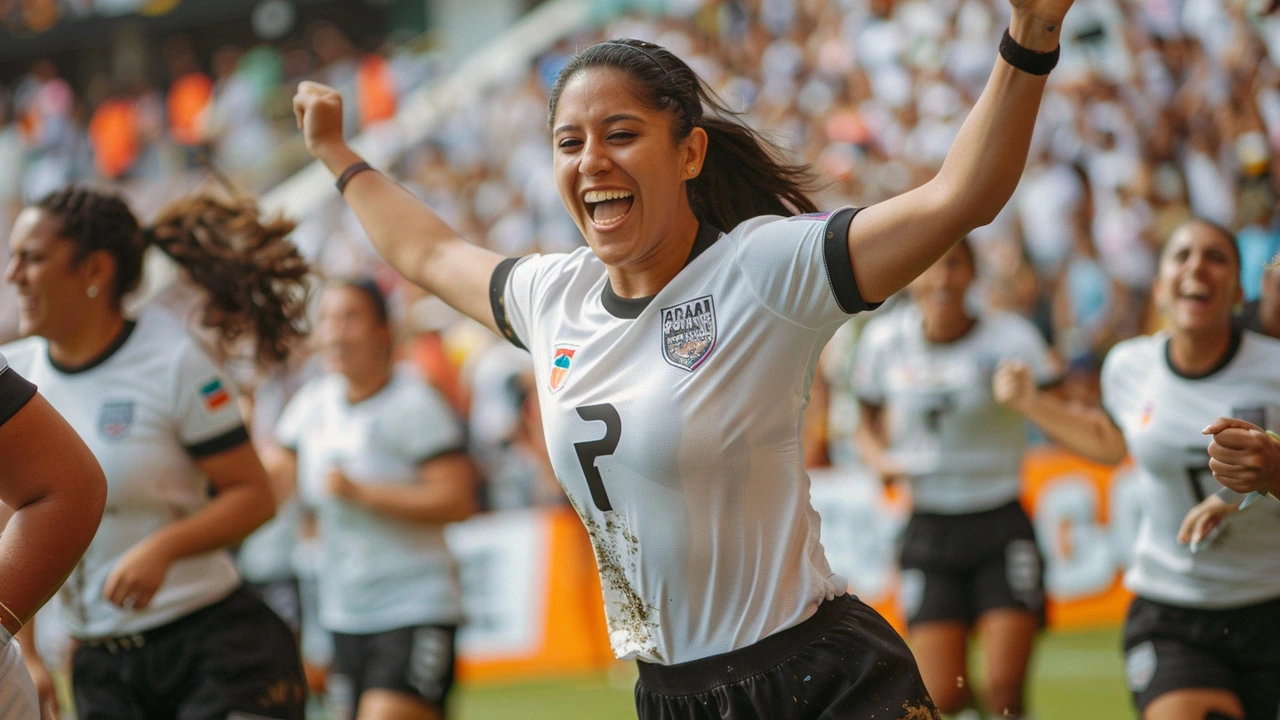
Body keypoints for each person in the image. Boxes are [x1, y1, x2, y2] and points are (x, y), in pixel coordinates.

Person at [291, 0, 1074, 711]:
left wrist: (1030, 35)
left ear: (691, 153)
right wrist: (336, 155)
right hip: (672, 697)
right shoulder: (549, 296)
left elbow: (959, 195)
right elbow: (426, 252)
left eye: (621, 134)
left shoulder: (765, 271)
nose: (591, 159)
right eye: (571, 142)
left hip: (820, 682)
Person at [3, 187, 310, 719]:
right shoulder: (16, 375)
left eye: (32, 258)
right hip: (100, 669)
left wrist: (165, 547)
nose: (13, 275)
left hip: (213, 649)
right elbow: (13, 519)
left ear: (94, 269)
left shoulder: (174, 362)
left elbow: (255, 496)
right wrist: (23, 652)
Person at [993, 219, 1280, 720]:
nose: (1197, 266)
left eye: (1215, 257)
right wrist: (1032, 404)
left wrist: (1272, 473)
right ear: (1160, 288)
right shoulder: (1128, 366)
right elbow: (1111, 442)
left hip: (1270, 601)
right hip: (1171, 610)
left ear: (1237, 290)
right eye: (1181, 255)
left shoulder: (1275, 368)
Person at [852, 238, 1058, 719]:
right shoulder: (884, 340)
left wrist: (1030, 400)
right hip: (929, 528)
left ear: (972, 275)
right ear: (914, 275)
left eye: (954, 266)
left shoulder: (1011, 338)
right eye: (930, 266)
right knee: (942, 696)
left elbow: (1061, 402)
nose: (942, 278)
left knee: (1006, 696)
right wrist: (878, 458)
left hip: (1000, 520)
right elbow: (862, 420)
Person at [272, 279, 479, 720]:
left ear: (383, 331)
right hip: (343, 614)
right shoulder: (313, 404)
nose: (334, 332)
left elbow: (457, 499)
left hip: (415, 605)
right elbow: (273, 481)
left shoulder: (414, 401)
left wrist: (362, 493)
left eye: (349, 317)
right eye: (326, 319)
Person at [0, 355, 106, 716]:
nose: (19, 292)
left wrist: (165, 548)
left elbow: (68, 489)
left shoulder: (174, 357)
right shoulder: (27, 358)